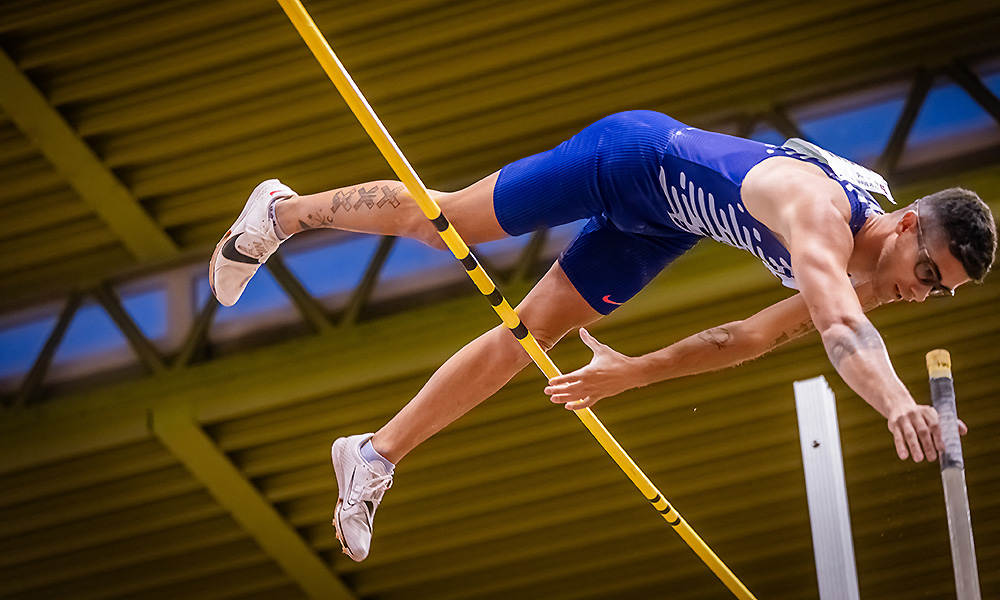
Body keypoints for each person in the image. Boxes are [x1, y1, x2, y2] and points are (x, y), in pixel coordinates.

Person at [209, 110, 996, 562]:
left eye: (938, 294)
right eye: (926, 273)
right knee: (446, 219)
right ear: (902, 227)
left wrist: (635, 373)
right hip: (631, 158)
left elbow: (746, 338)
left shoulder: (870, 282)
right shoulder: (819, 217)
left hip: (662, 224)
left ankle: (373, 454)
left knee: (530, 338)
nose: (915, 293)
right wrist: (895, 403)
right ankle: (278, 213)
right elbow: (838, 328)